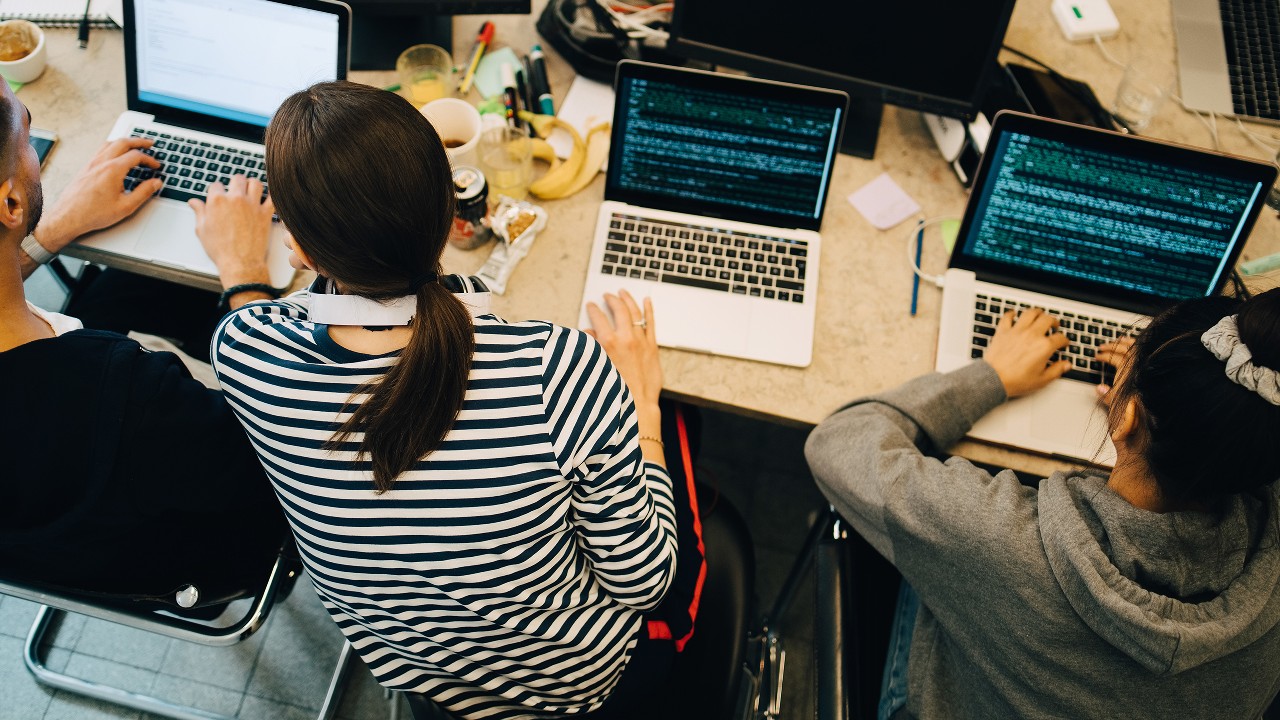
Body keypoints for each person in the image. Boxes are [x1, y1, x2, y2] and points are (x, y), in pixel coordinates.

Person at [204, 81, 692, 719]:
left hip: (422, 681)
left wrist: (242, 274)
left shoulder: (242, 352)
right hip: (576, 688)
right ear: (448, 214)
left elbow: (259, 328)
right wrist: (643, 404)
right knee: (686, 432)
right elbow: (647, 583)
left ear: (296, 248)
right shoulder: (559, 370)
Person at [806, 289, 1280, 719]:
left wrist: (990, 376)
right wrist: (1187, 410)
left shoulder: (991, 536)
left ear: (1128, 418)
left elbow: (838, 442)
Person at [0, 79, 286, 606]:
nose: (32, 143)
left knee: (115, 288)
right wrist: (245, 274)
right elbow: (281, 447)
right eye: (26, 128)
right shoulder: (131, 392)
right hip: (203, 558)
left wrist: (47, 233)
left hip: (36, 550)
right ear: (11, 201)